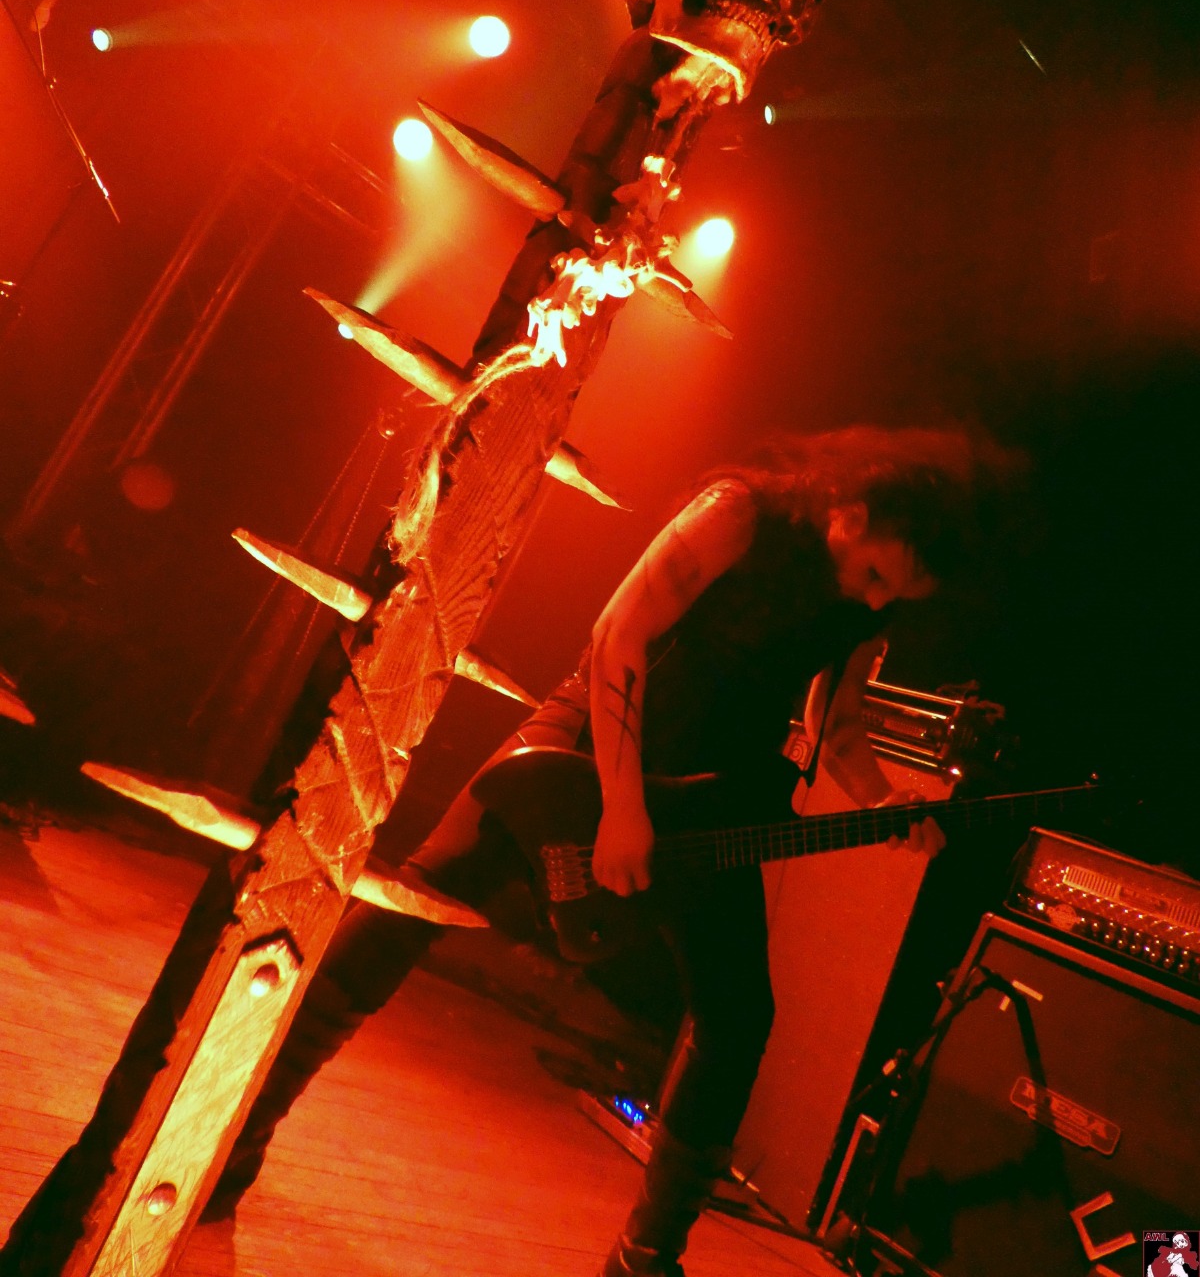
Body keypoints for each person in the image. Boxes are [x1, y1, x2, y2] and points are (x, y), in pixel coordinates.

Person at [203, 425, 1003, 1276]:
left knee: (738, 1021)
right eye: (876, 575)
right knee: (414, 905)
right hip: (586, 744)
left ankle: (644, 1258)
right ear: (853, 510)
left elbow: (833, 725)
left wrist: (884, 803)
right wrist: (623, 809)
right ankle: (234, 1133)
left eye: (894, 598)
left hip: (706, 797)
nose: (874, 602)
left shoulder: (861, 609)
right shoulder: (739, 512)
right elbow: (619, 633)